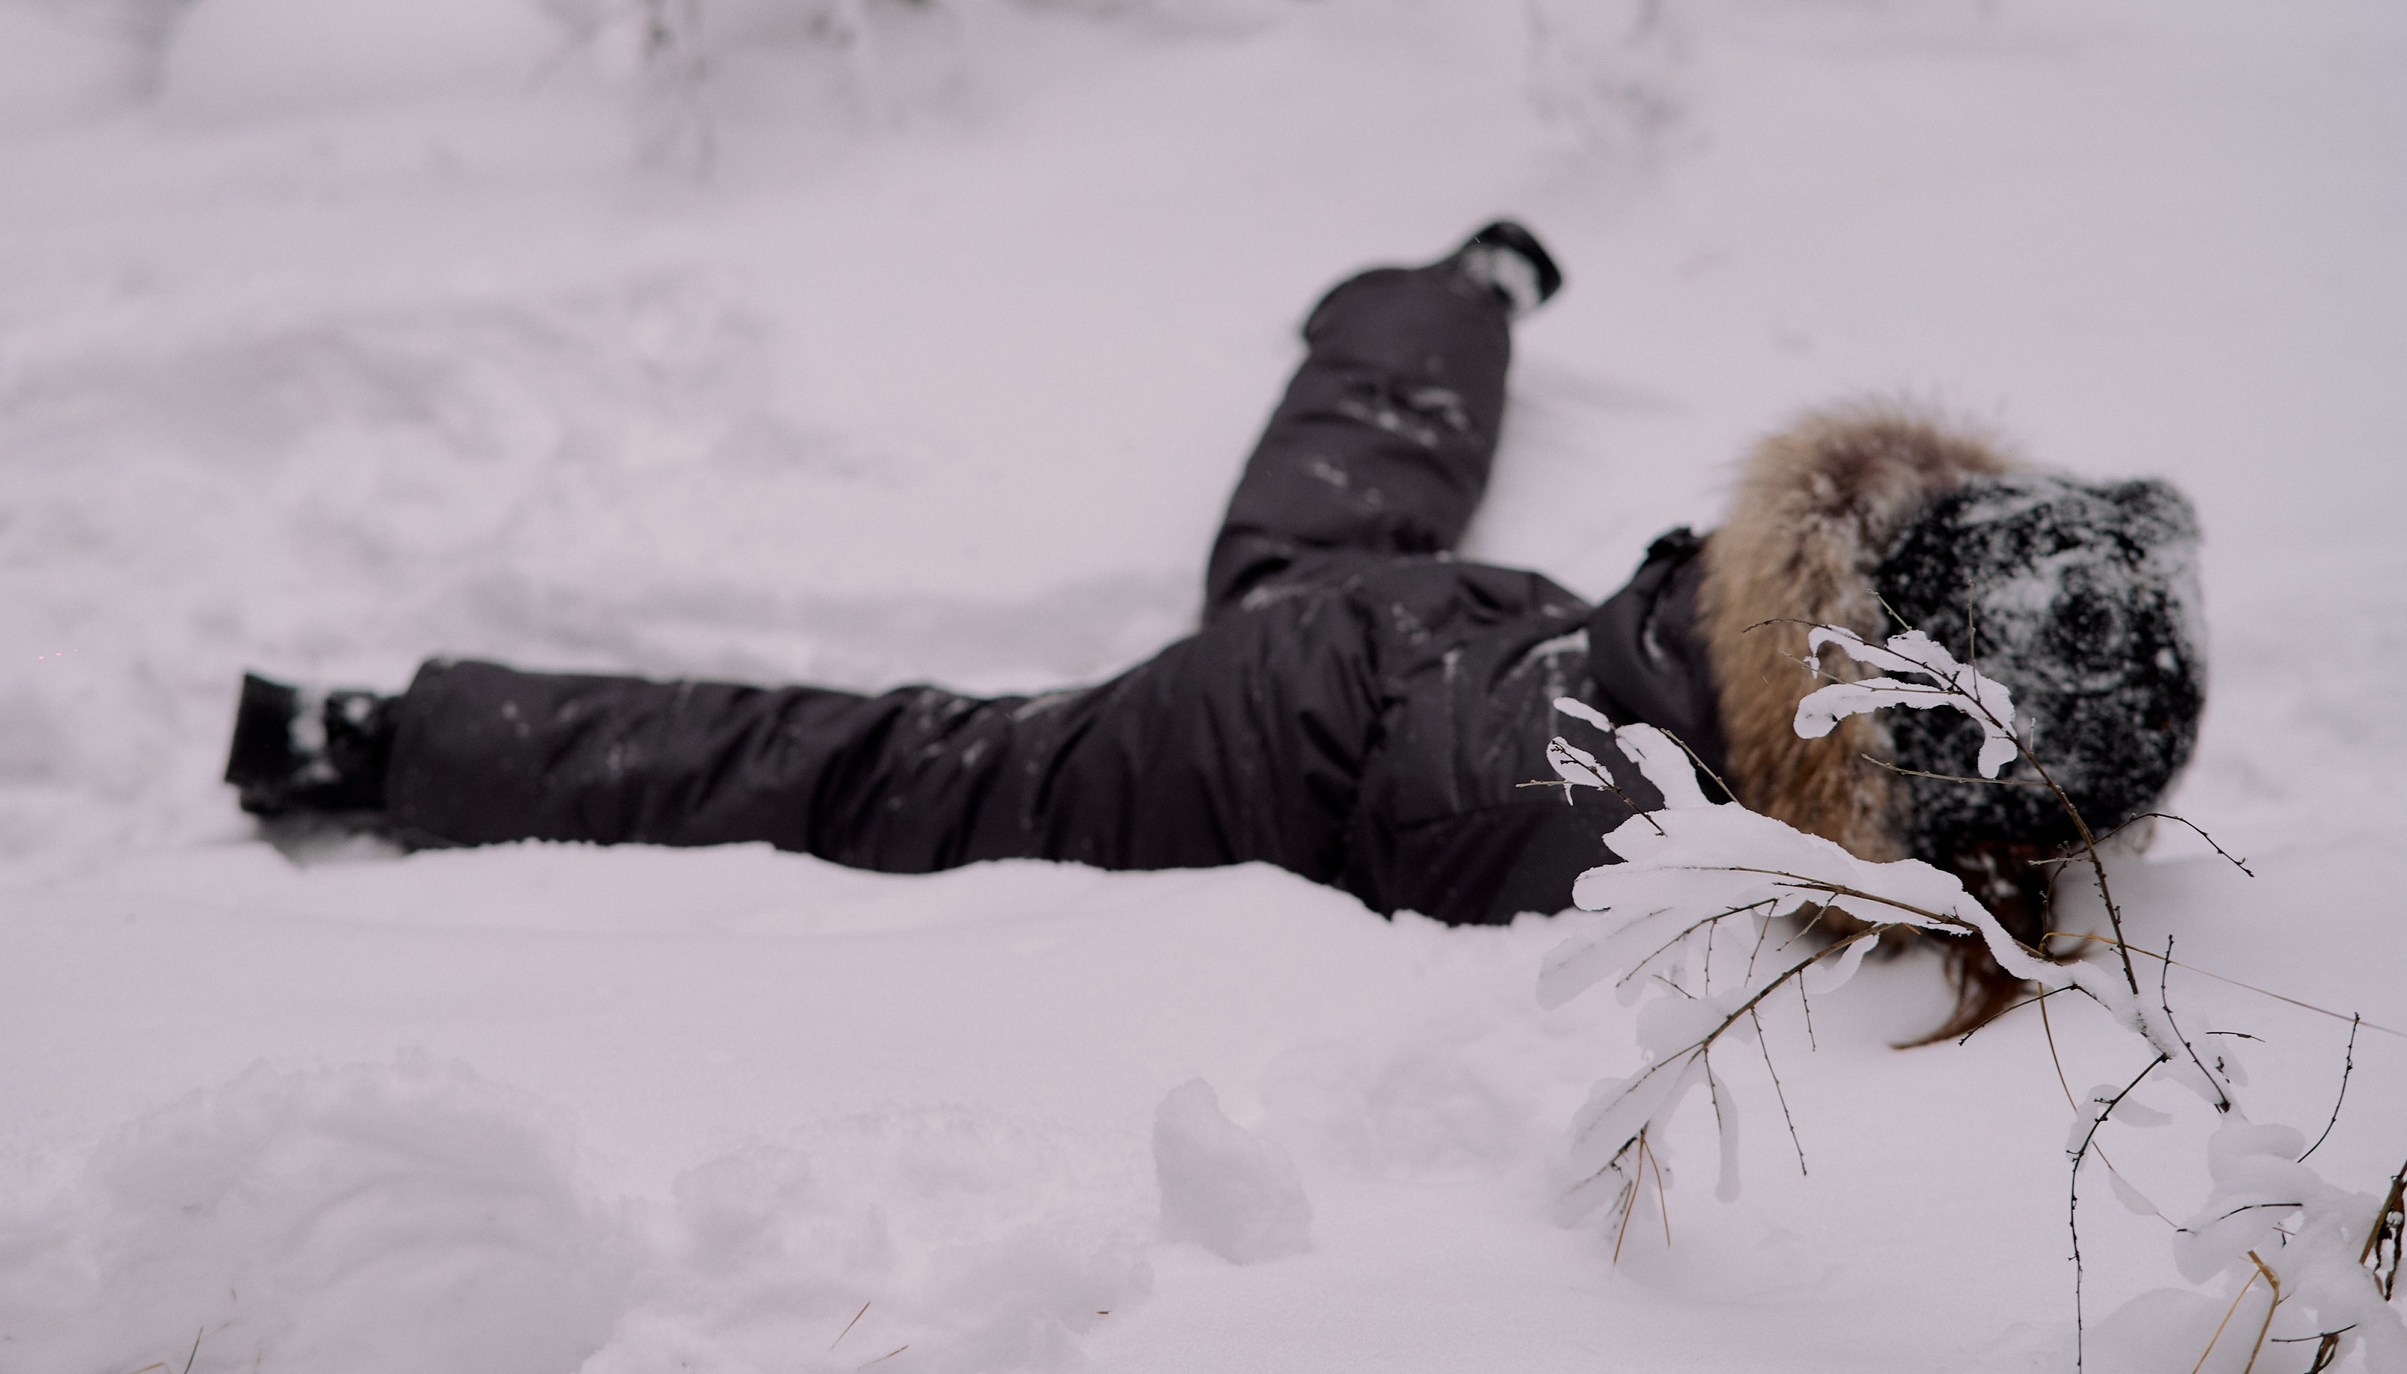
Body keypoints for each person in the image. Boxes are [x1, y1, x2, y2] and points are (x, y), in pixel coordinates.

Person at [226, 222, 2206, 1022]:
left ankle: (1445, 295)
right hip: (1256, 746)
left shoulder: (1727, 615)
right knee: (881, 770)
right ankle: (403, 740)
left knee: (1335, 511)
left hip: (1435, 626)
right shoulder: (1628, 833)